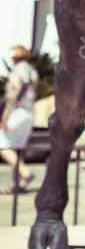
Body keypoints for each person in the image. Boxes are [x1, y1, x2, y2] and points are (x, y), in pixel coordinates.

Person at [0, 46, 39, 194]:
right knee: (16, 148)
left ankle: (25, 173)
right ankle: (15, 184)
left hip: (18, 112)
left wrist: (5, 115)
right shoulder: (32, 70)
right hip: (29, 113)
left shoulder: (19, 70)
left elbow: (14, 93)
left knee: (2, 143)